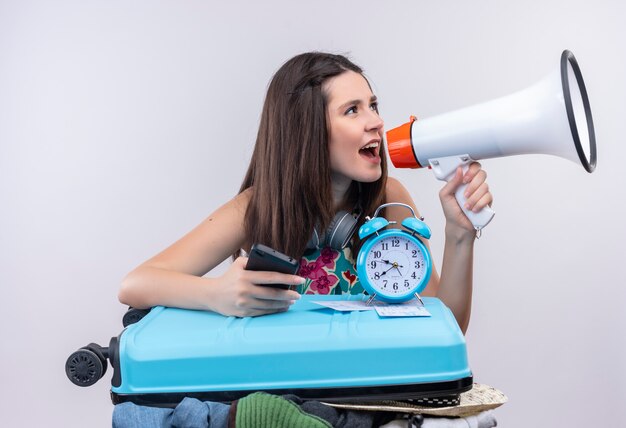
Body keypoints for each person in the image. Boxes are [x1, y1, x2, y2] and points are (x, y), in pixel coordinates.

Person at [118, 52, 493, 334]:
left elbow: (446, 328)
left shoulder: (389, 200)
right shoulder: (256, 207)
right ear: (307, 130)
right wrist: (216, 294)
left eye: (373, 105)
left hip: (368, 392)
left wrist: (459, 235)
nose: (376, 122)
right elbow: (135, 284)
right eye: (352, 110)